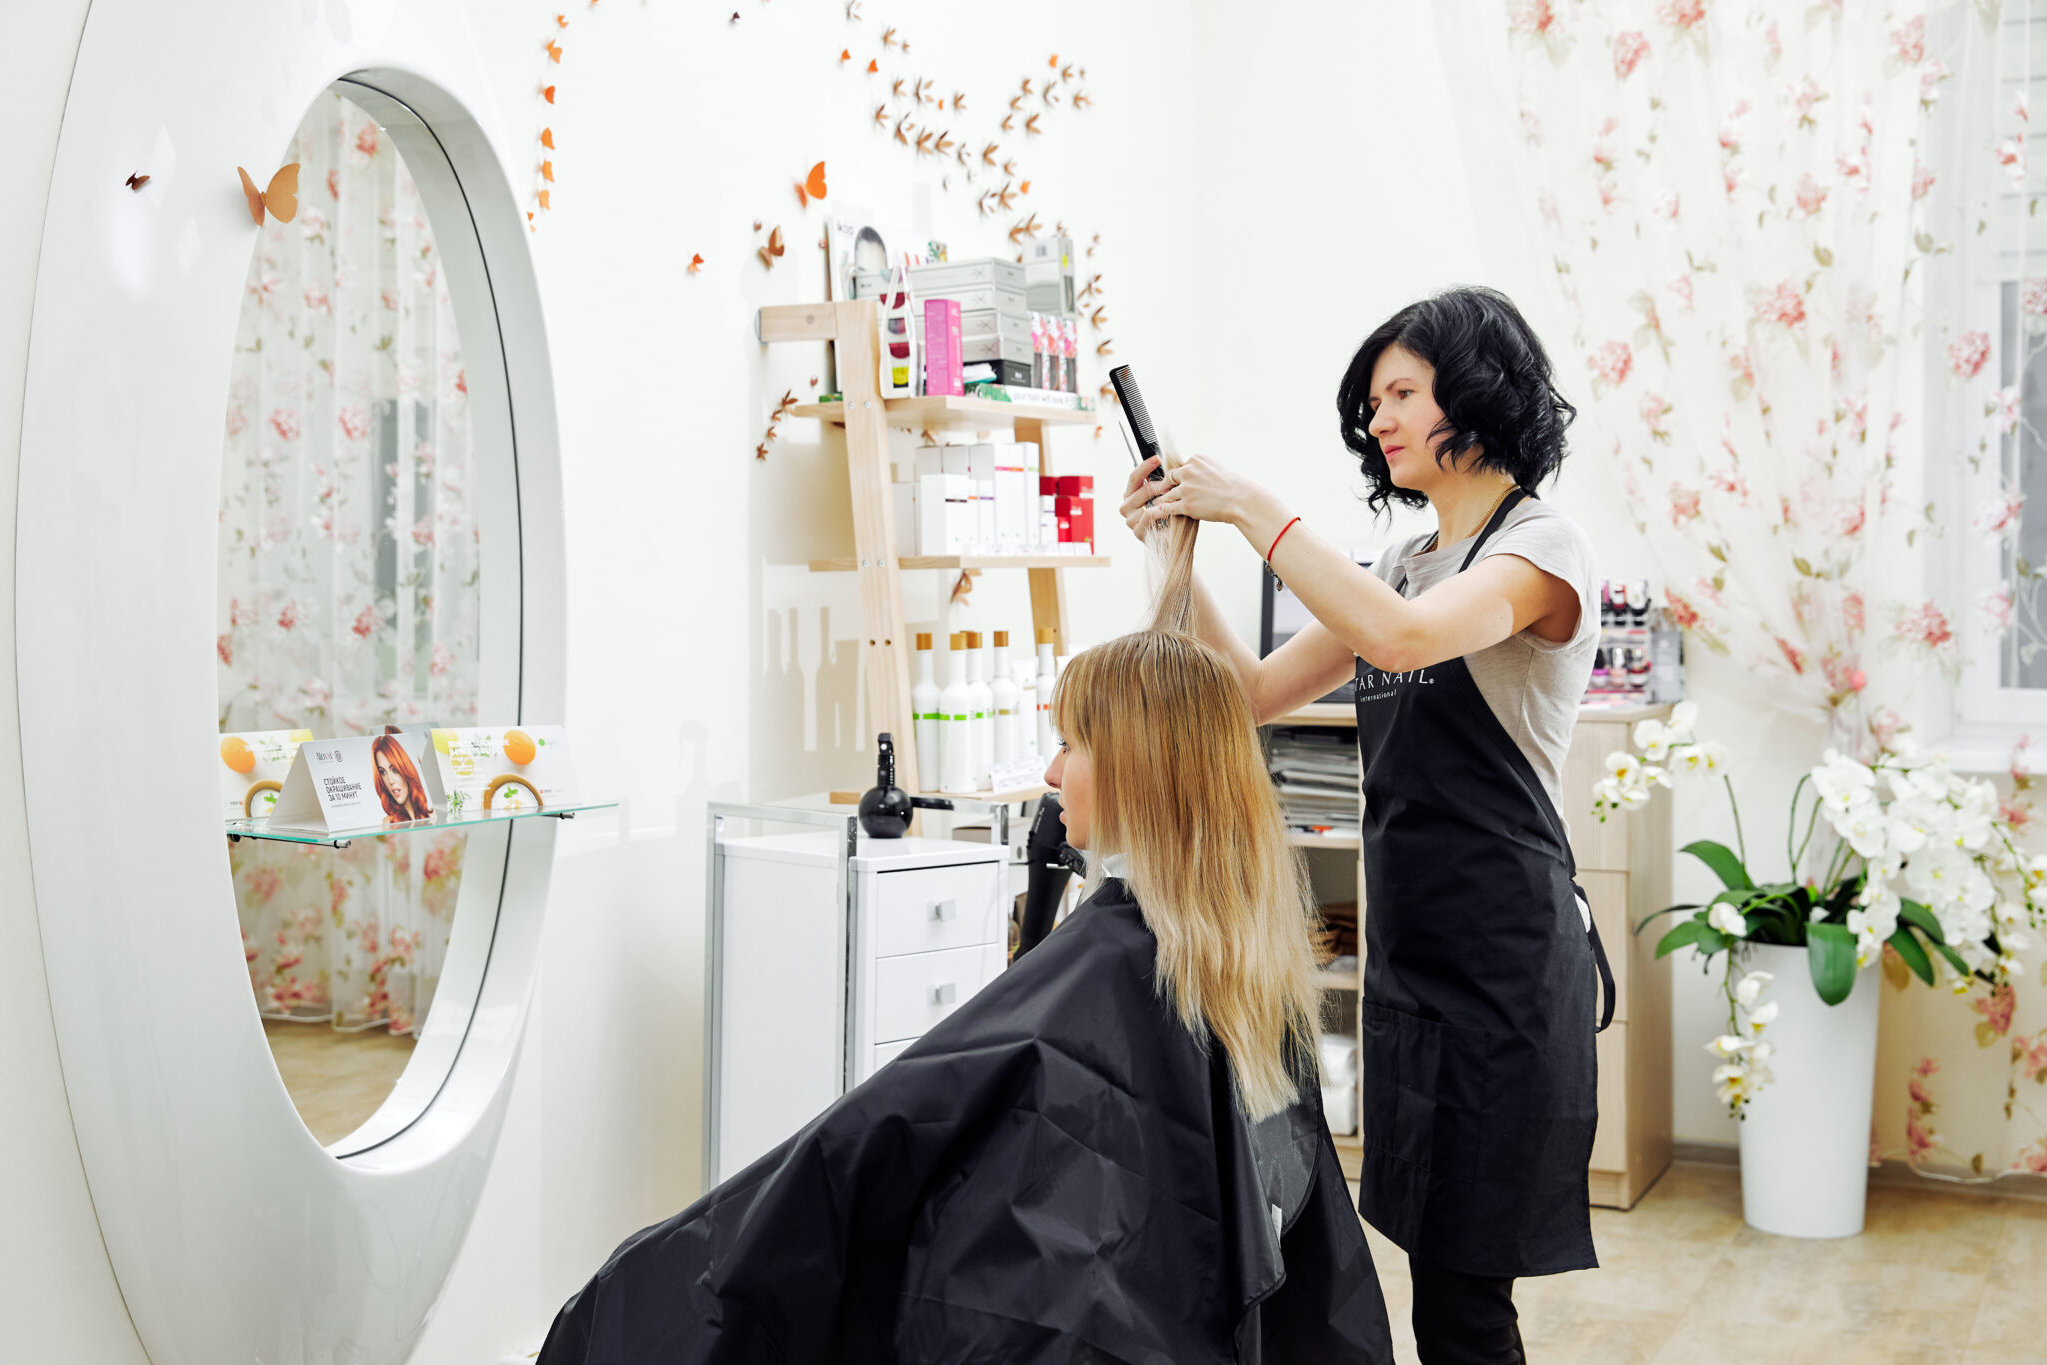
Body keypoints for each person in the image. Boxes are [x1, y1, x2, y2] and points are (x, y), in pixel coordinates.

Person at [536, 630, 1392, 1364]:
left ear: (1136, 770)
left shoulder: (1115, 967)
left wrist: (641, 1287)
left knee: (654, 1290)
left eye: (1072, 745)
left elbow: (862, 1148)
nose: (1051, 770)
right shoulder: (1245, 956)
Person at [1122, 286, 1606, 1364]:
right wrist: (1175, 549)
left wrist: (1254, 508)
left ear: (1475, 394)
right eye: (1373, 401)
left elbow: (1400, 641)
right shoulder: (1400, 566)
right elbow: (1250, 694)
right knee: (1431, 1278)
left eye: (1401, 394)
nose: (1378, 419)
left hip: (1505, 973)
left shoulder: (1541, 550)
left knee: (1466, 1304)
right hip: (1412, 964)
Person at [370, 733, 433, 824]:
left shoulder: (432, 816)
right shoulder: (388, 823)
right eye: (383, 772)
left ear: (405, 769)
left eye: (394, 770)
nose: (390, 781)